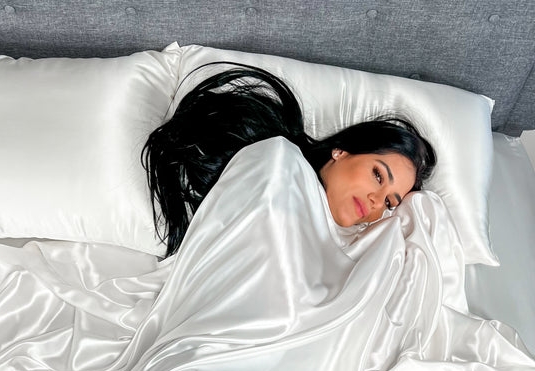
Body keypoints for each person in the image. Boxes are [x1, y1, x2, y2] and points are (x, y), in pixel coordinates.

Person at [142, 64, 436, 257]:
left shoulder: (360, 248)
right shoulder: (279, 161)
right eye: (377, 175)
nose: (376, 202)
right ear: (342, 150)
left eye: (389, 203)